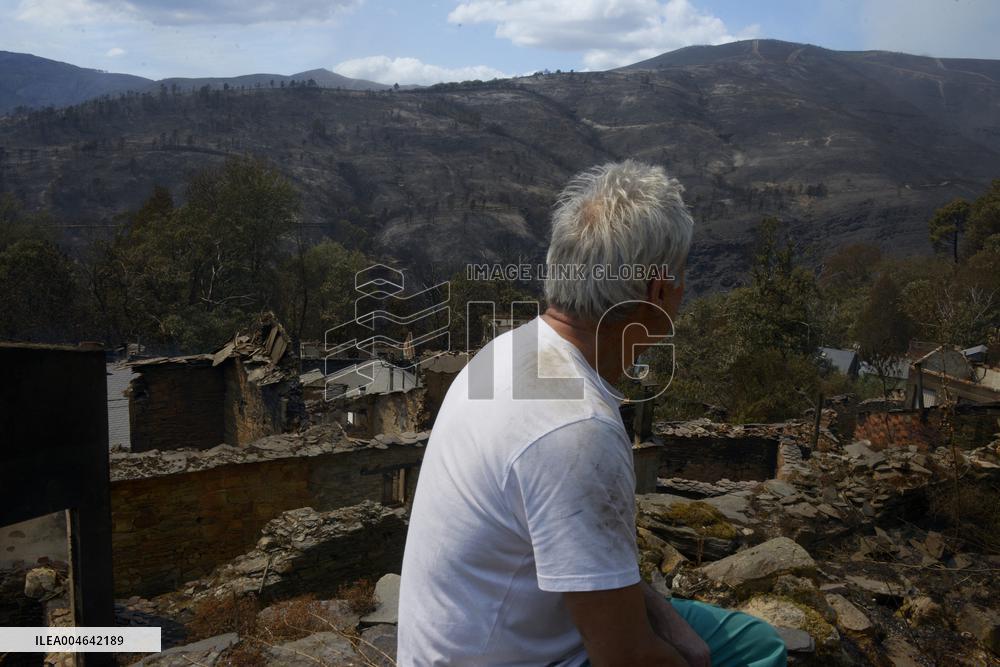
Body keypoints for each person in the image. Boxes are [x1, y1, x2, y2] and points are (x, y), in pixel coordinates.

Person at [397, 160, 787, 667]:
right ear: (659, 292)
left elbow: (584, 563)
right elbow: (625, 660)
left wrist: (662, 614)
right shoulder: (577, 430)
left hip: (458, 648)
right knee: (757, 655)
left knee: (751, 640)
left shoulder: (505, 353)